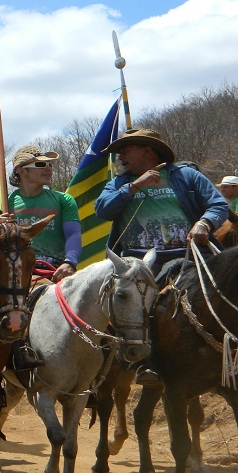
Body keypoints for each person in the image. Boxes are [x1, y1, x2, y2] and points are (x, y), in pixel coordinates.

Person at [94, 128, 228, 384]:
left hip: (190, 256)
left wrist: (205, 223)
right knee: (135, 303)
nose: (120, 155)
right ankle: (146, 362)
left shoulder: (186, 176)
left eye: (125, 149)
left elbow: (217, 204)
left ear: (146, 150)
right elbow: (102, 210)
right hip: (139, 262)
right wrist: (133, 187)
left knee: (226, 291)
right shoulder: (120, 183)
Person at [5, 145, 81, 283]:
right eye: (40, 164)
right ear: (21, 171)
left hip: (55, 271)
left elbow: (73, 234)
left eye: (50, 164)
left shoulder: (63, 200)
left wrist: (70, 262)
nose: (49, 168)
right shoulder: (5, 203)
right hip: (15, 271)